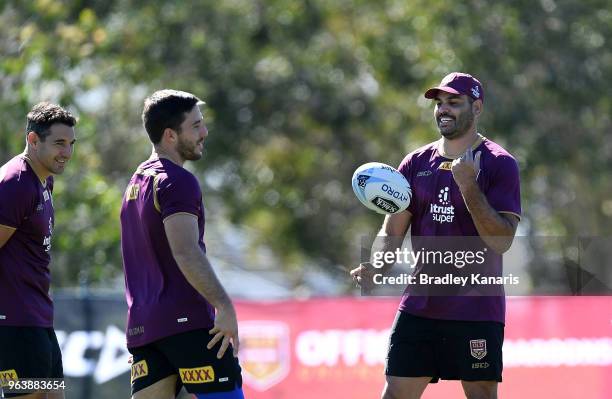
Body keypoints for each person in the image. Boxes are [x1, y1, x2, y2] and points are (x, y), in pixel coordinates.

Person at [351, 72, 521, 399]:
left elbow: (502, 240)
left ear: (477, 107)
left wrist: (468, 184)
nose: (443, 109)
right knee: (396, 392)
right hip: (421, 305)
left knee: (482, 393)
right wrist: (377, 265)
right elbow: (392, 228)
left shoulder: (501, 164)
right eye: (439, 103)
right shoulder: (415, 163)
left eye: (454, 102)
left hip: (476, 309)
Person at [120, 90, 244, 399]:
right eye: (196, 125)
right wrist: (224, 306)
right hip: (186, 323)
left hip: (144, 329)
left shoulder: (136, 183)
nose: (204, 133)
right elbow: (185, 251)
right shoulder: (176, 180)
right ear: (170, 135)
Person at [0, 102, 77, 399]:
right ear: (33, 140)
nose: (67, 152)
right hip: (16, 325)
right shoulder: (15, 184)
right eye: (59, 143)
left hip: (38, 321)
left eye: (71, 144)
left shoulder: (44, 181)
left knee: (51, 396)